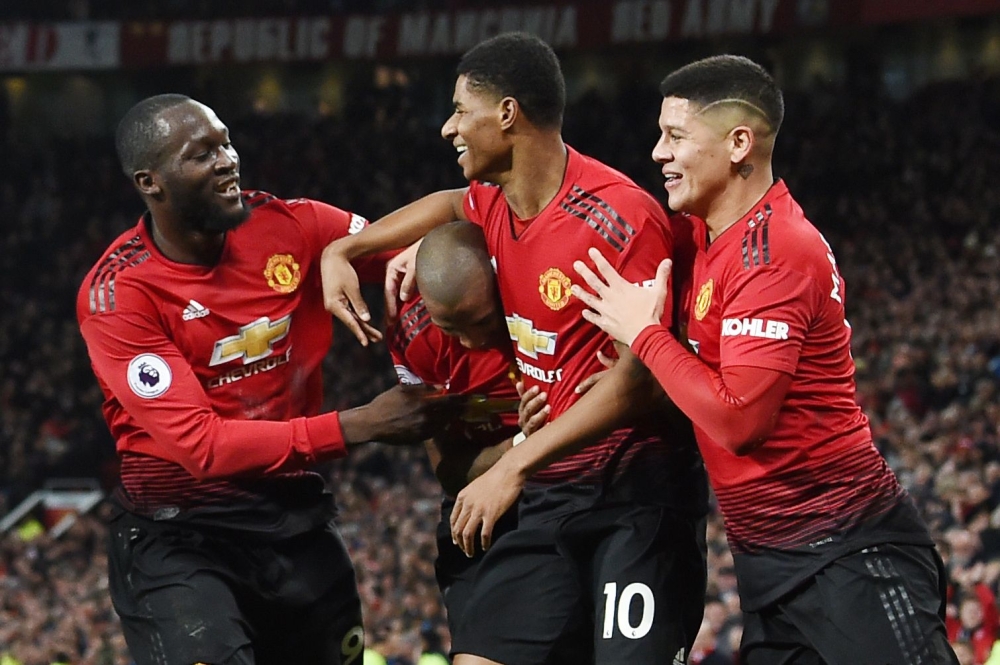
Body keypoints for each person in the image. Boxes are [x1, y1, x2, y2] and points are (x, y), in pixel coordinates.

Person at [322, 32, 708, 665]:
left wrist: (511, 465)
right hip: (548, 496)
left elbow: (643, 381)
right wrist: (347, 249)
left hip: (633, 495)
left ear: (507, 114)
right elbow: (450, 203)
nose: (448, 128)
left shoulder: (616, 219)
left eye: (458, 110)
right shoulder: (491, 203)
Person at [570, 55, 958, 664]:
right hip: (770, 568)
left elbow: (741, 422)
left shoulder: (772, 252)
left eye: (675, 137)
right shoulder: (706, 237)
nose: (657, 153)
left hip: (849, 554)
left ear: (738, 143)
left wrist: (645, 337)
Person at [76, 94, 456, 665]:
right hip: (182, 536)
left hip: (293, 518)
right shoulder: (120, 295)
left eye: (225, 142)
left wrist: (350, 252)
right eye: (200, 154)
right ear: (150, 182)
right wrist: (361, 425)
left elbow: (427, 261)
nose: (228, 160)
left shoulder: (294, 225)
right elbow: (202, 446)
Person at [387, 222, 591, 663]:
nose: (470, 341)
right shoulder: (413, 335)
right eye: (451, 327)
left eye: (479, 322)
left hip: (568, 497)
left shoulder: (546, 303)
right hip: (480, 516)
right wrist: (519, 443)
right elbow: (448, 471)